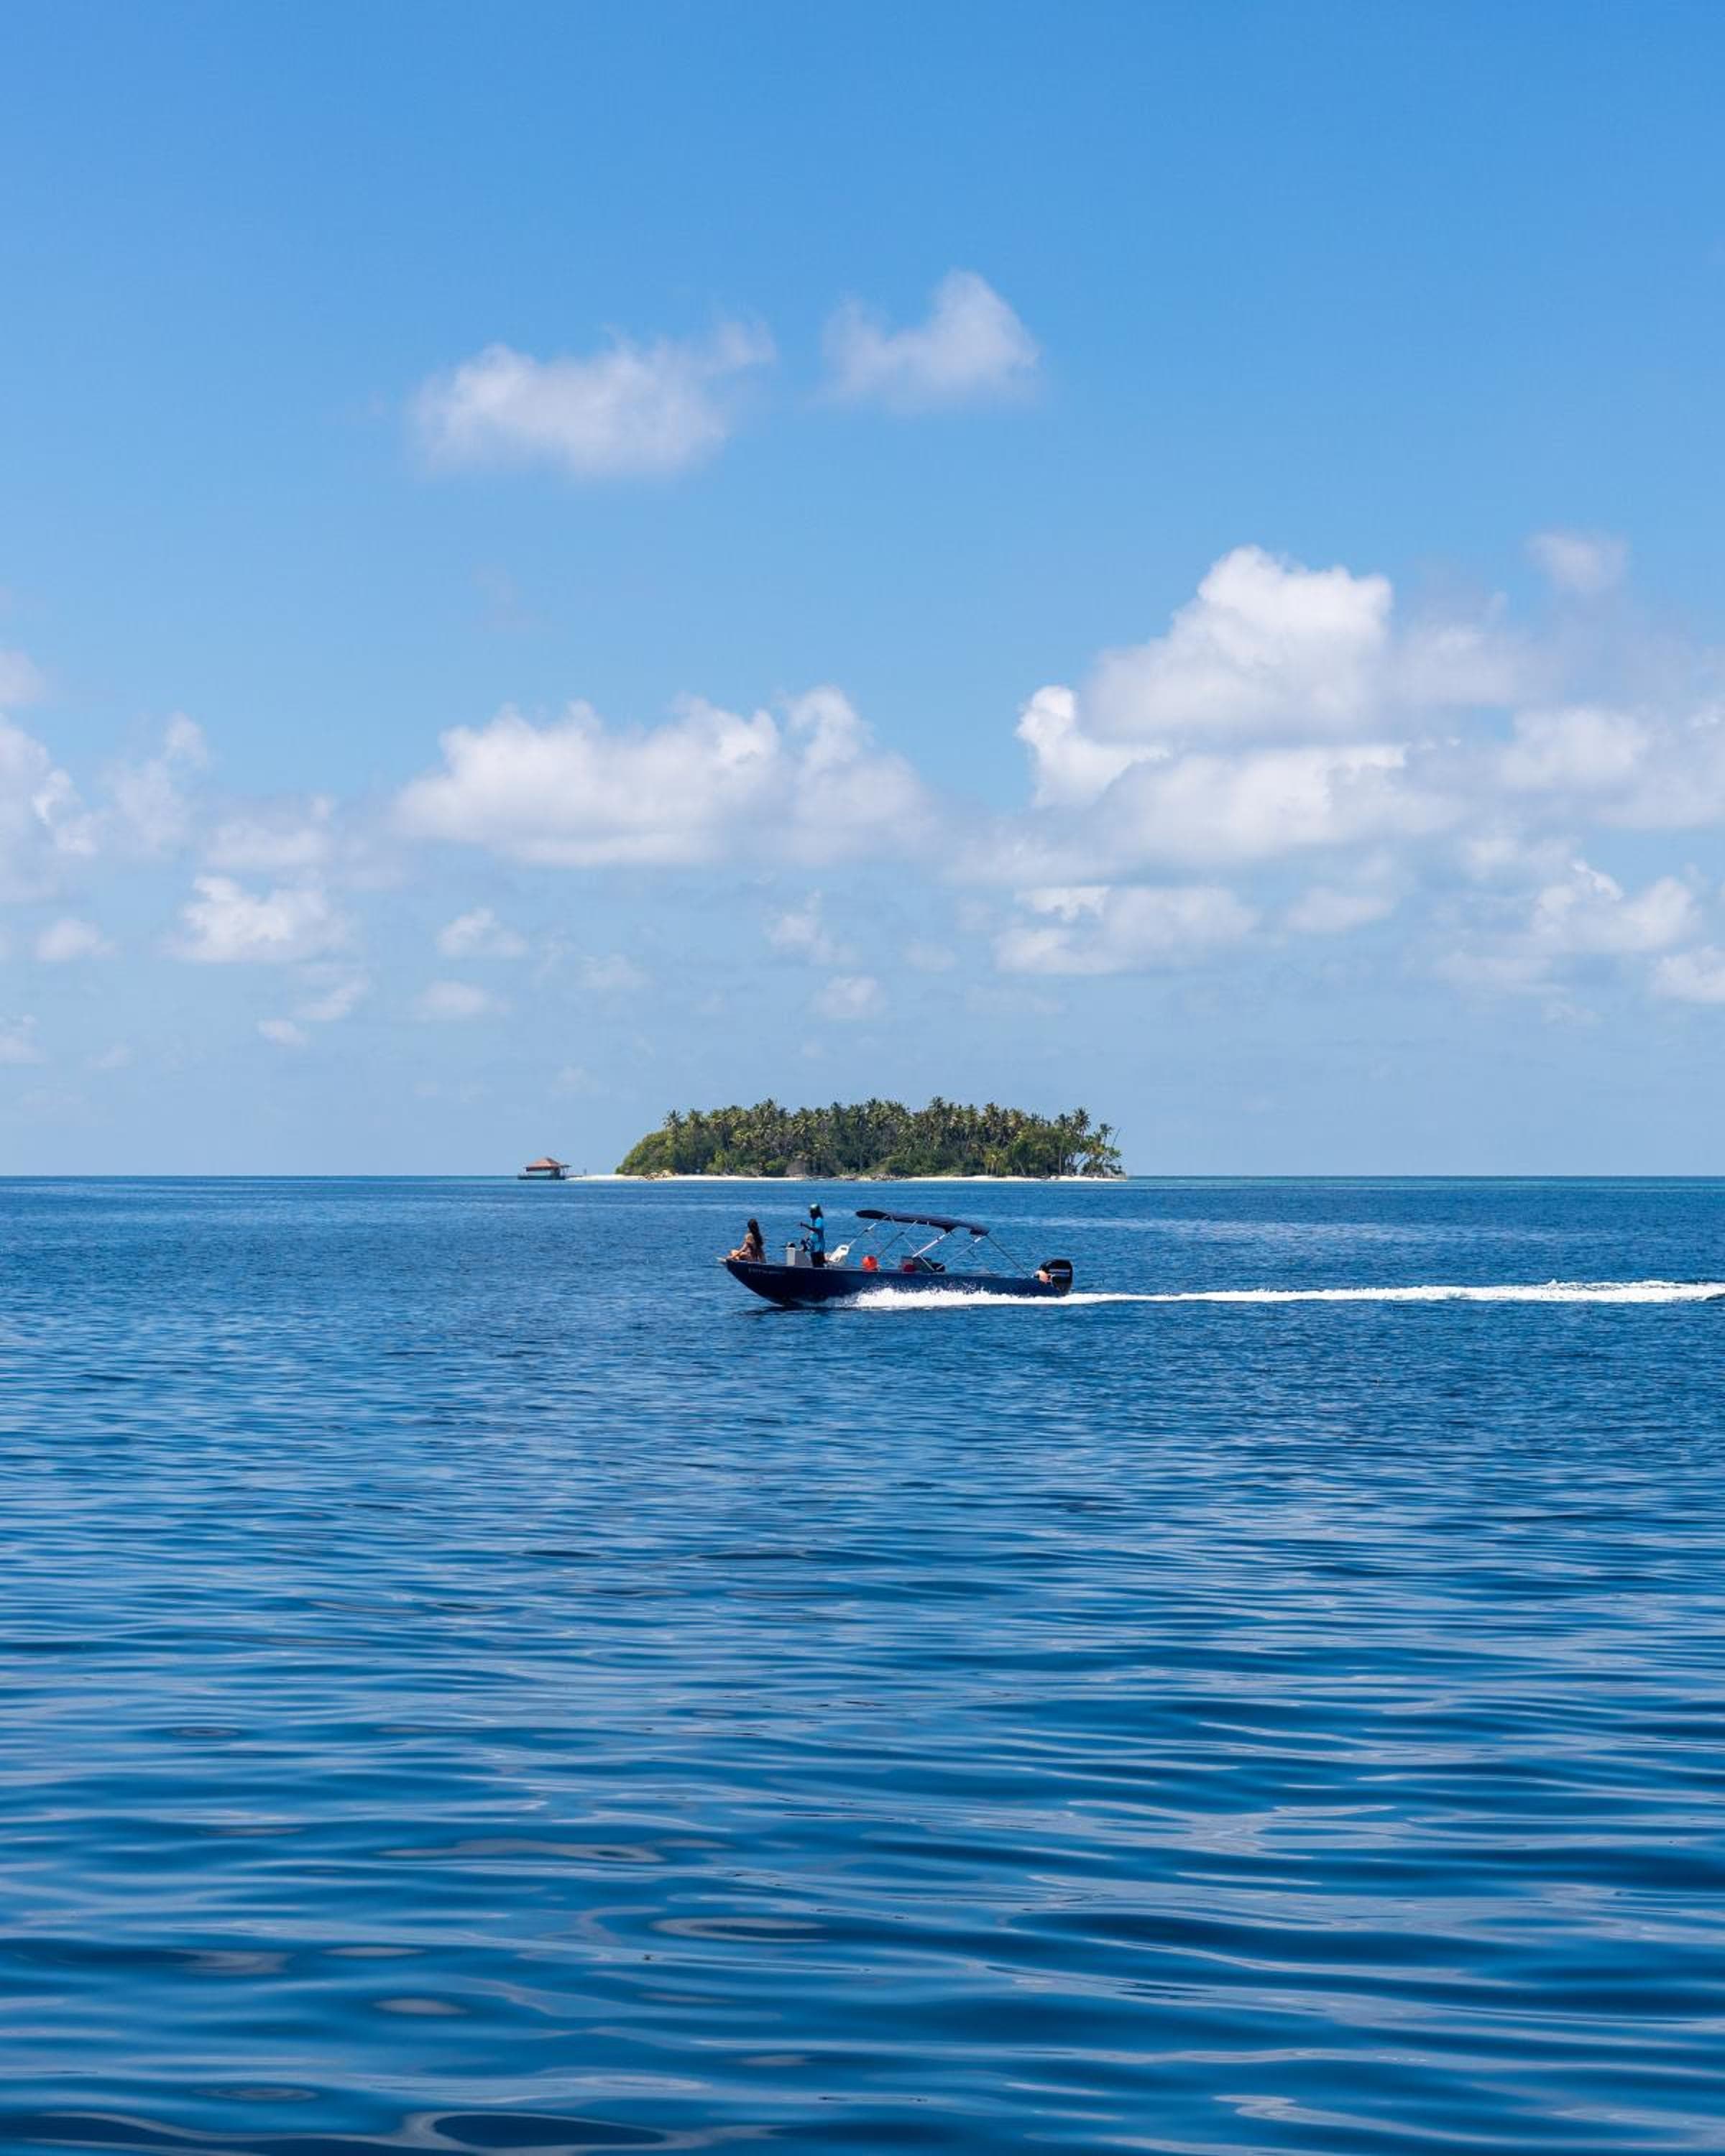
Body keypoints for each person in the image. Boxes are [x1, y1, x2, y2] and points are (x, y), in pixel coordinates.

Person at [801, 1202, 827, 1267]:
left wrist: (807, 1226)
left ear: (815, 1212)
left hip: (818, 1246)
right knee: (814, 1263)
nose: (810, 1213)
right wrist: (806, 1239)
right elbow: (812, 1232)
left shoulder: (819, 1220)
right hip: (813, 1246)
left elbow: (817, 1229)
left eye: (812, 1211)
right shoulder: (814, 1220)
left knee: (819, 1264)